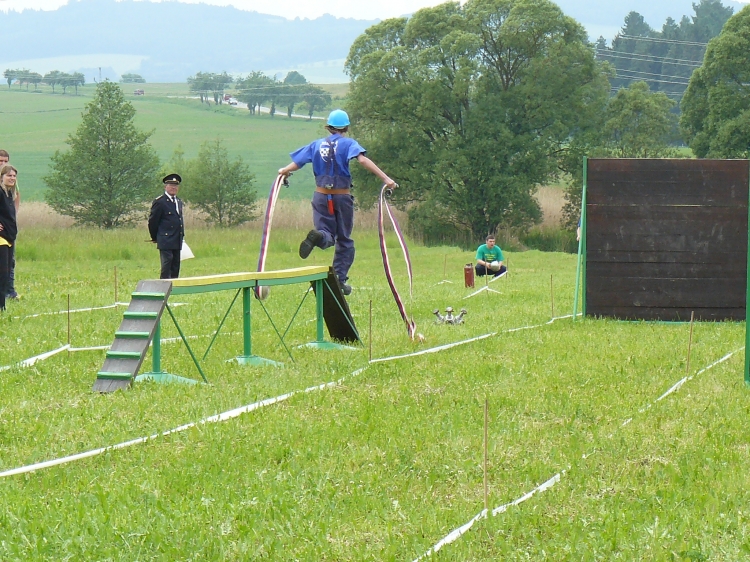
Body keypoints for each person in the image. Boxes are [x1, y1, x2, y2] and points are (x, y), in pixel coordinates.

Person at [277, 109, 397, 296]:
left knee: (326, 233)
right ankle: (339, 279)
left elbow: (297, 163)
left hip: (321, 196)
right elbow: (363, 160)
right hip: (341, 197)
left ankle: (319, 235)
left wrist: (284, 171)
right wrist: (386, 179)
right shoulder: (349, 144)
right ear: (346, 127)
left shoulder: (316, 145)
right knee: (344, 240)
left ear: (329, 127)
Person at [148, 173, 184, 279]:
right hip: (165, 238)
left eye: (175, 186)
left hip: (177, 238)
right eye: (171, 185)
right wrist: (155, 237)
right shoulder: (160, 202)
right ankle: (163, 285)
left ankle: (174, 285)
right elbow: (153, 221)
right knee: (167, 264)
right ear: (165, 187)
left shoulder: (178, 201)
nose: (173, 188)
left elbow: (179, 220)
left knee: (175, 265)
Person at [0, 150, 19, 300]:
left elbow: (16, 200)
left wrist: (12, 219)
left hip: (9, 233)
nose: (3, 163)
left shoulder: (10, 191)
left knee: (8, 267)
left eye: (5, 161)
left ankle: (9, 292)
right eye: (0, 161)